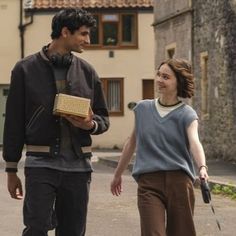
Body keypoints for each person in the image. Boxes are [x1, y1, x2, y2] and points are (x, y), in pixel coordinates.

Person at [3, 8, 109, 236]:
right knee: (36, 228)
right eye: (83, 34)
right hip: (41, 165)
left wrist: (90, 124)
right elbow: (13, 121)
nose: (88, 40)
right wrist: (11, 169)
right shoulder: (25, 69)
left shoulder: (88, 72)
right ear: (64, 32)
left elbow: (103, 118)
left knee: (73, 231)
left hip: (79, 169)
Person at [111, 58, 208, 236]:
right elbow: (131, 143)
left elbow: (194, 142)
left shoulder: (187, 114)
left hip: (179, 182)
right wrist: (118, 174)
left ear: (178, 81)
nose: (159, 80)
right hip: (149, 183)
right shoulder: (142, 109)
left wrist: (202, 167)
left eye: (166, 77)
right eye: (158, 75)